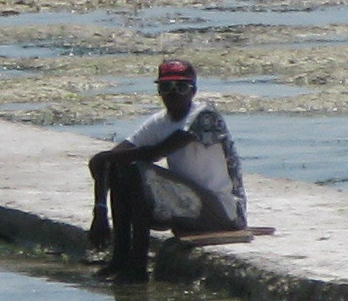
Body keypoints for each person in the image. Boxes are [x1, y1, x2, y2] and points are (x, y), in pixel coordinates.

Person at [87, 58, 245, 265]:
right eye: (166, 87)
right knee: (121, 169)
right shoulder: (161, 121)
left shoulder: (205, 116)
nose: (173, 94)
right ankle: (120, 259)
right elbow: (109, 160)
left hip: (222, 212)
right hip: (186, 203)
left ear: (193, 91)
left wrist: (105, 158)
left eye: (181, 87)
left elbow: (154, 153)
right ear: (159, 91)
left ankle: (136, 268)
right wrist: (100, 211)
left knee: (135, 170)